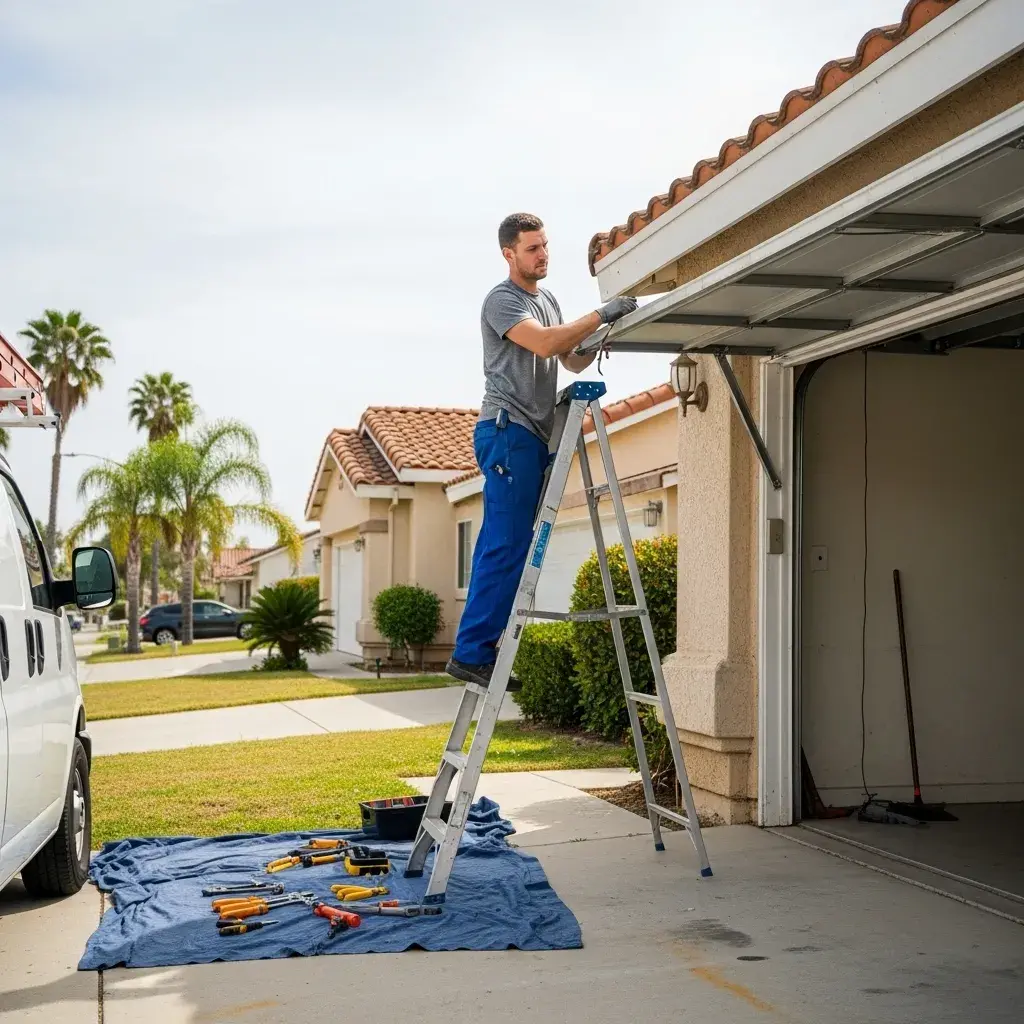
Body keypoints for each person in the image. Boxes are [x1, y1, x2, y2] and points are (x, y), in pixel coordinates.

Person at [447, 213, 637, 689]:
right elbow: (548, 342)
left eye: (546, 246)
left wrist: (600, 334)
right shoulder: (503, 300)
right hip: (506, 430)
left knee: (513, 543)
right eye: (532, 249)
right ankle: (470, 652)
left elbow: (570, 357)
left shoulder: (548, 299)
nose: (543, 255)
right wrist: (601, 313)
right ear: (509, 254)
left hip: (532, 433)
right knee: (504, 543)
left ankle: (480, 648)